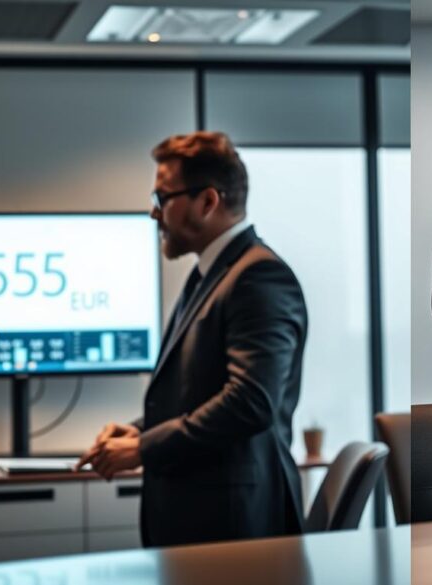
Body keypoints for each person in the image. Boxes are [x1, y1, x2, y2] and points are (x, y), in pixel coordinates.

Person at [76, 131, 308, 546]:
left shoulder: (258, 277)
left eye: (163, 197)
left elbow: (250, 401)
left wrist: (146, 449)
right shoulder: (211, 274)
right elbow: (200, 393)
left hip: (232, 528)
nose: (154, 213)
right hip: (205, 518)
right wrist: (139, 432)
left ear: (207, 202)